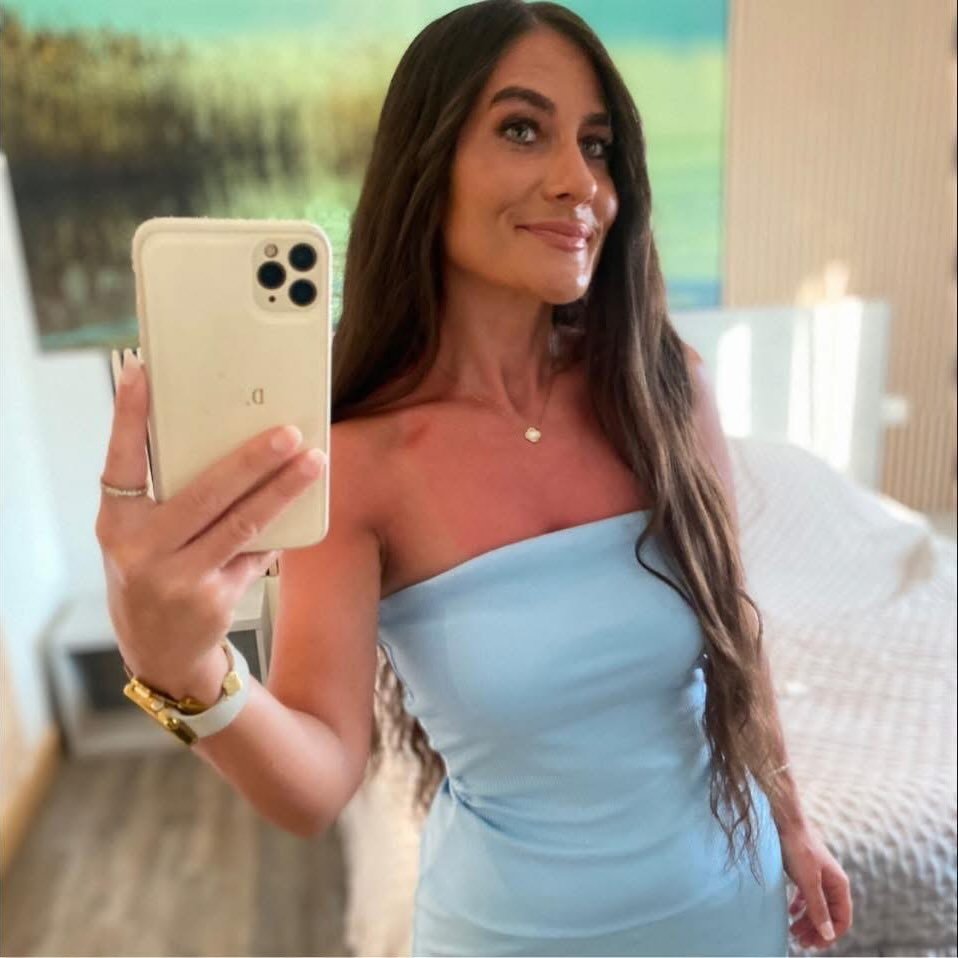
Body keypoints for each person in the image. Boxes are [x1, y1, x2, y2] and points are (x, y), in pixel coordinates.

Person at [97, 1, 852, 955]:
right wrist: (182, 672)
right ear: (427, 163)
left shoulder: (665, 389)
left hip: (729, 909)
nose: (580, 181)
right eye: (522, 129)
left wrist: (792, 821)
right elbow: (316, 783)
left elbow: (734, 627)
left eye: (597, 145)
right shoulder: (357, 462)